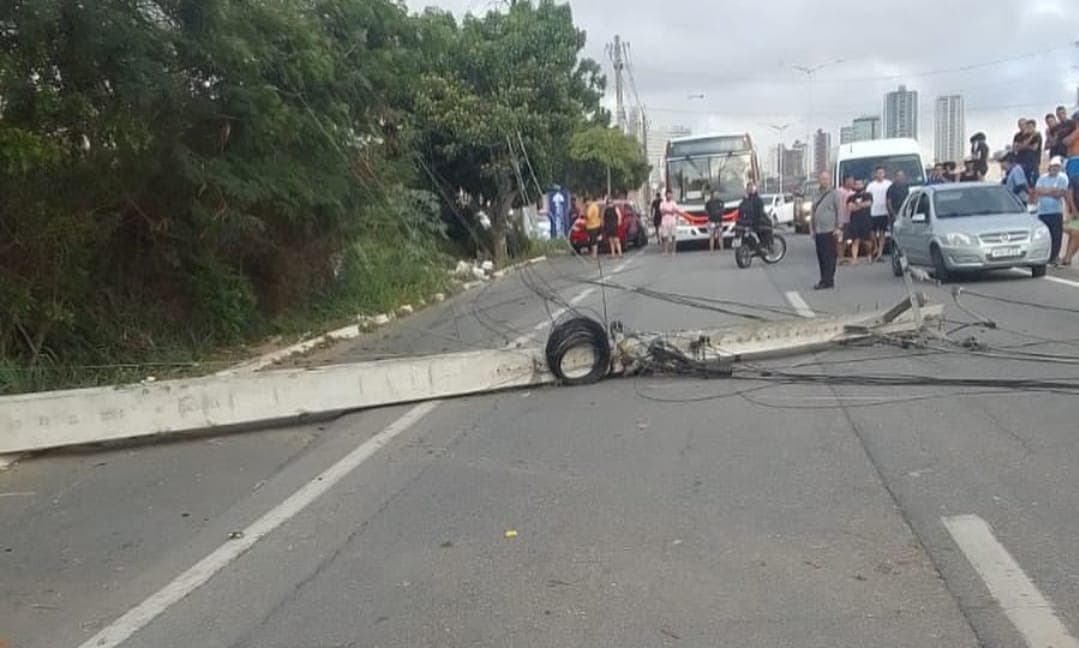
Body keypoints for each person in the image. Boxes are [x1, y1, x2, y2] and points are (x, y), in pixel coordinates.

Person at [810, 171, 844, 290]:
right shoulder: (816, 193)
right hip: (819, 230)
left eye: (826, 179)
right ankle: (824, 278)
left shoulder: (835, 194)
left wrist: (839, 227)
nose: (824, 181)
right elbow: (813, 211)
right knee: (821, 256)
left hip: (830, 230)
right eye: (822, 179)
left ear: (830, 180)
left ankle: (828, 280)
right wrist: (812, 228)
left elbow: (840, 211)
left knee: (829, 256)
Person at [1034, 156, 1068, 265]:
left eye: (1057, 167)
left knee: (1056, 235)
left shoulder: (1062, 178)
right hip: (1043, 211)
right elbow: (1038, 190)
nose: (1055, 169)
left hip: (1056, 211)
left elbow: (1060, 193)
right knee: (1044, 235)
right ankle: (1044, 255)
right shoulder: (1042, 178)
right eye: (1053, 166)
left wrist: (1046, 191)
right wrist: (1051, 191)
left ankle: (1054, 256)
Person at [866, 166, 893, 261]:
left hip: (884, 212)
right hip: (873, 212)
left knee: (882, 233)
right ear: (875, 174)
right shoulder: (871, 185)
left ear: (884, 173)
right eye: (878, 172)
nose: (880, 174)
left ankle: (880, 253)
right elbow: (867, 198)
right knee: (872, 232)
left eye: (882, 172)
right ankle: (876, 246)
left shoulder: (889, 184)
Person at [845, 179, 873, 264]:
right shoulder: (851, 197)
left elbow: (868, 203)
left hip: (866, 220)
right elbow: (850, 208)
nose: (858, 186)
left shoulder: (868, 195)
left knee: (867, 241)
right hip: (854, 222)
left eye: (860, 184)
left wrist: (857, 205)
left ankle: (869, 255)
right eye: (856, 184)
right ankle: (854, 259)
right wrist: (861, 205)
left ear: (863, 185)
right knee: (855, 240)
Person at [737, 181, 771, 249]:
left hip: (749, 221)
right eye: (749, 187)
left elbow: (759, 211)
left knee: (765, 228)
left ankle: (763, 245)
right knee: (765, 228)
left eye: (751, 187)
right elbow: (759, 212)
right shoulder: (751, 199)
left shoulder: (751, 199)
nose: (750, 189)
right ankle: (762, 245)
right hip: (751, 222)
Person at [1015, 119, 1043, 186]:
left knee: (1033, 182)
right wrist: (1028, 143)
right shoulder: (1021, 136)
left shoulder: (1037, 136)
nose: (1029, 128)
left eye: (1031, 127)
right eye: (1028, 126)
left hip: (1033, 162)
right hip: (1022, 161)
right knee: (1023, 182)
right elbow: (1016, 148)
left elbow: (1034, 148)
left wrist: (1023, 146)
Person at [1062, 171, 1079, 266]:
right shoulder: (1075, 179)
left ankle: (1067, 257)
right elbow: (1069, 194)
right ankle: (1067, 257)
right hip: (1075, 212)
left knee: (1075, 235)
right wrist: (1073, 209)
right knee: (1075, 234)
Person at [659, 189, 679, 256]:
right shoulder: (662, 203)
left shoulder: (674, 203)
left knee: (673, 236)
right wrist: (670, 211)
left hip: (672, 222)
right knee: (665, 237)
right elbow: (662, 212)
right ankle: (666, 251)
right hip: (664, 222)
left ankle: (674, 251)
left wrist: (667, 211)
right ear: (666, 195)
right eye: (668, 194)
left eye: (670, 194)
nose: (669, 195)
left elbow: (675, 211)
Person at [602, 195, 623, 259]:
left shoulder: (615, 208)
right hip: (608, 226)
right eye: (609, 201)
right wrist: (603, 224)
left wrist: (619, 222)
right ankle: (613, 254)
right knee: (611, 240)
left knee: (616, 240)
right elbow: (603, 218)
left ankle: (620, 254)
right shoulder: (605, 209)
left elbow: (619, 216)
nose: (610, 203)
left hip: (614, 225)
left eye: (610, 201)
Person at [583, 193, 602, 259]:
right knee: (593, 240)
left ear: (588, 201)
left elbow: (588, 216)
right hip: (596, 224)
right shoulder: (595, 205)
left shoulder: (591, 207)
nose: (585, 204)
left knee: (593, 241)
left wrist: (584, 213)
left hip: (592, 225)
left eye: (585, 202)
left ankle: (594, 254)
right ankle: (594, 253)